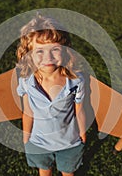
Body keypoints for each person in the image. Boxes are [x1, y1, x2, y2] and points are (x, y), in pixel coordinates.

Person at [16, 13, 86, 176]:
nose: (48, 57)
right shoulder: (26, 81)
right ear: (28, 54)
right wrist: (26, 139)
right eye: (39, 51)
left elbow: (79, 109)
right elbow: (27, 112)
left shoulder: (75, 80)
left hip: (69, 143)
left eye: (55, 49)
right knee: (44, 171)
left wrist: (82, 134)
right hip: (39, 143)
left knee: (68, 173)